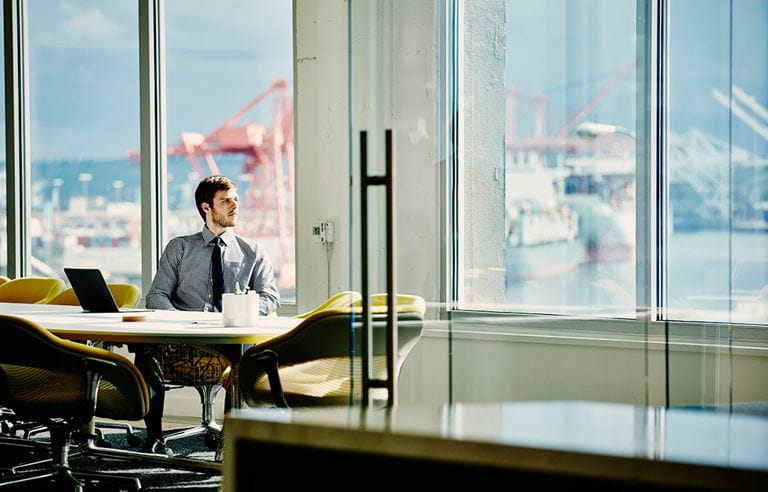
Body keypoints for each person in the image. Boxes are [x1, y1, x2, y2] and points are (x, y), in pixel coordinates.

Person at [137, 175, 280, 455]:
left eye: (236, 200)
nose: (234, 206)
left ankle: (230, 437)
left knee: (243, 351)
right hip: (180, 342)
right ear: (206, 207)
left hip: (228, 341)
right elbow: (156, 296)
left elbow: (271, 297)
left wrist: (237, 311)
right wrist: (183, 321)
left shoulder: (253, 252)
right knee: (145, 349)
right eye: (225, 201)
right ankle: (153, 437)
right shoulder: (180, 247)